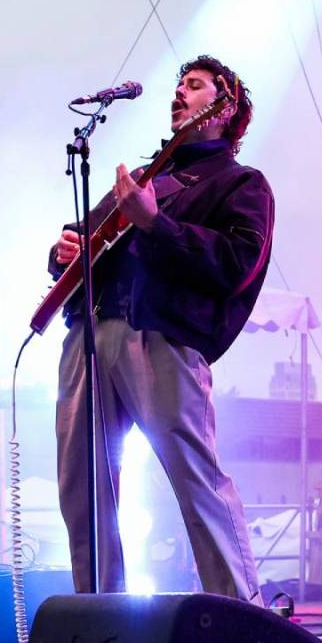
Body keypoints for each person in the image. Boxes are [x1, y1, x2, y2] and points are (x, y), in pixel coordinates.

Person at [47, 55, 272, 601]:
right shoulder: (147, 178)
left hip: (161, 339)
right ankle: (99, 618)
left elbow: (236, 264)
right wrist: (63, 251)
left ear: (225, 108)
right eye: (179, 85)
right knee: (84, 489)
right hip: (89, 334)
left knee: (196, 481)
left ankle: (245, 615)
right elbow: (83, 238)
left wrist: (156, 223)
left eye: (194, 86)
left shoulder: (241, 183)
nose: (179, 93)